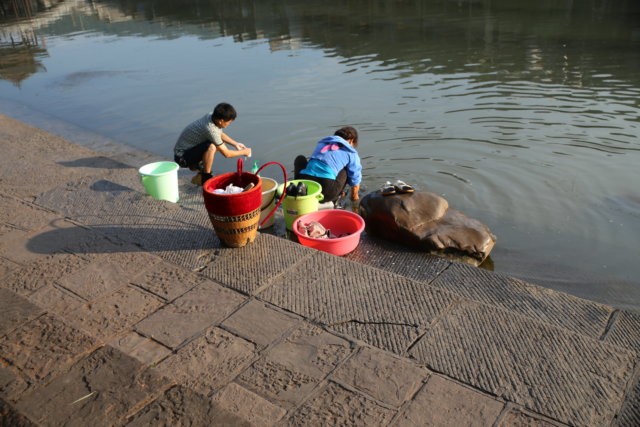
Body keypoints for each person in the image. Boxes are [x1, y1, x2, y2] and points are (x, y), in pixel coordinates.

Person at [173, 102, 252, 185]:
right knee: (212, 147)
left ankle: (198, 167)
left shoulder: (211, 116)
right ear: (221, 121)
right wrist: (244, 152)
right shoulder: (209, 128)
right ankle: (205, 178)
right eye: (229, 122)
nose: (229, 124)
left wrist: (235, 144)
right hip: (182, 158)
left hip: (190, 150)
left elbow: (218, 134)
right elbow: (227, 154)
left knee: (217, 144)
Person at [294, 126, 362, 203]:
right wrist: (354, 199)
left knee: (300, 158)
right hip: (326, 193)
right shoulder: (351, 152)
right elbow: (355, 180)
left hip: (306, 184)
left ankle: (297, 188)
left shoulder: (322, 143)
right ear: (351, 141)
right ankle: (337, 196)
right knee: (346, 169)